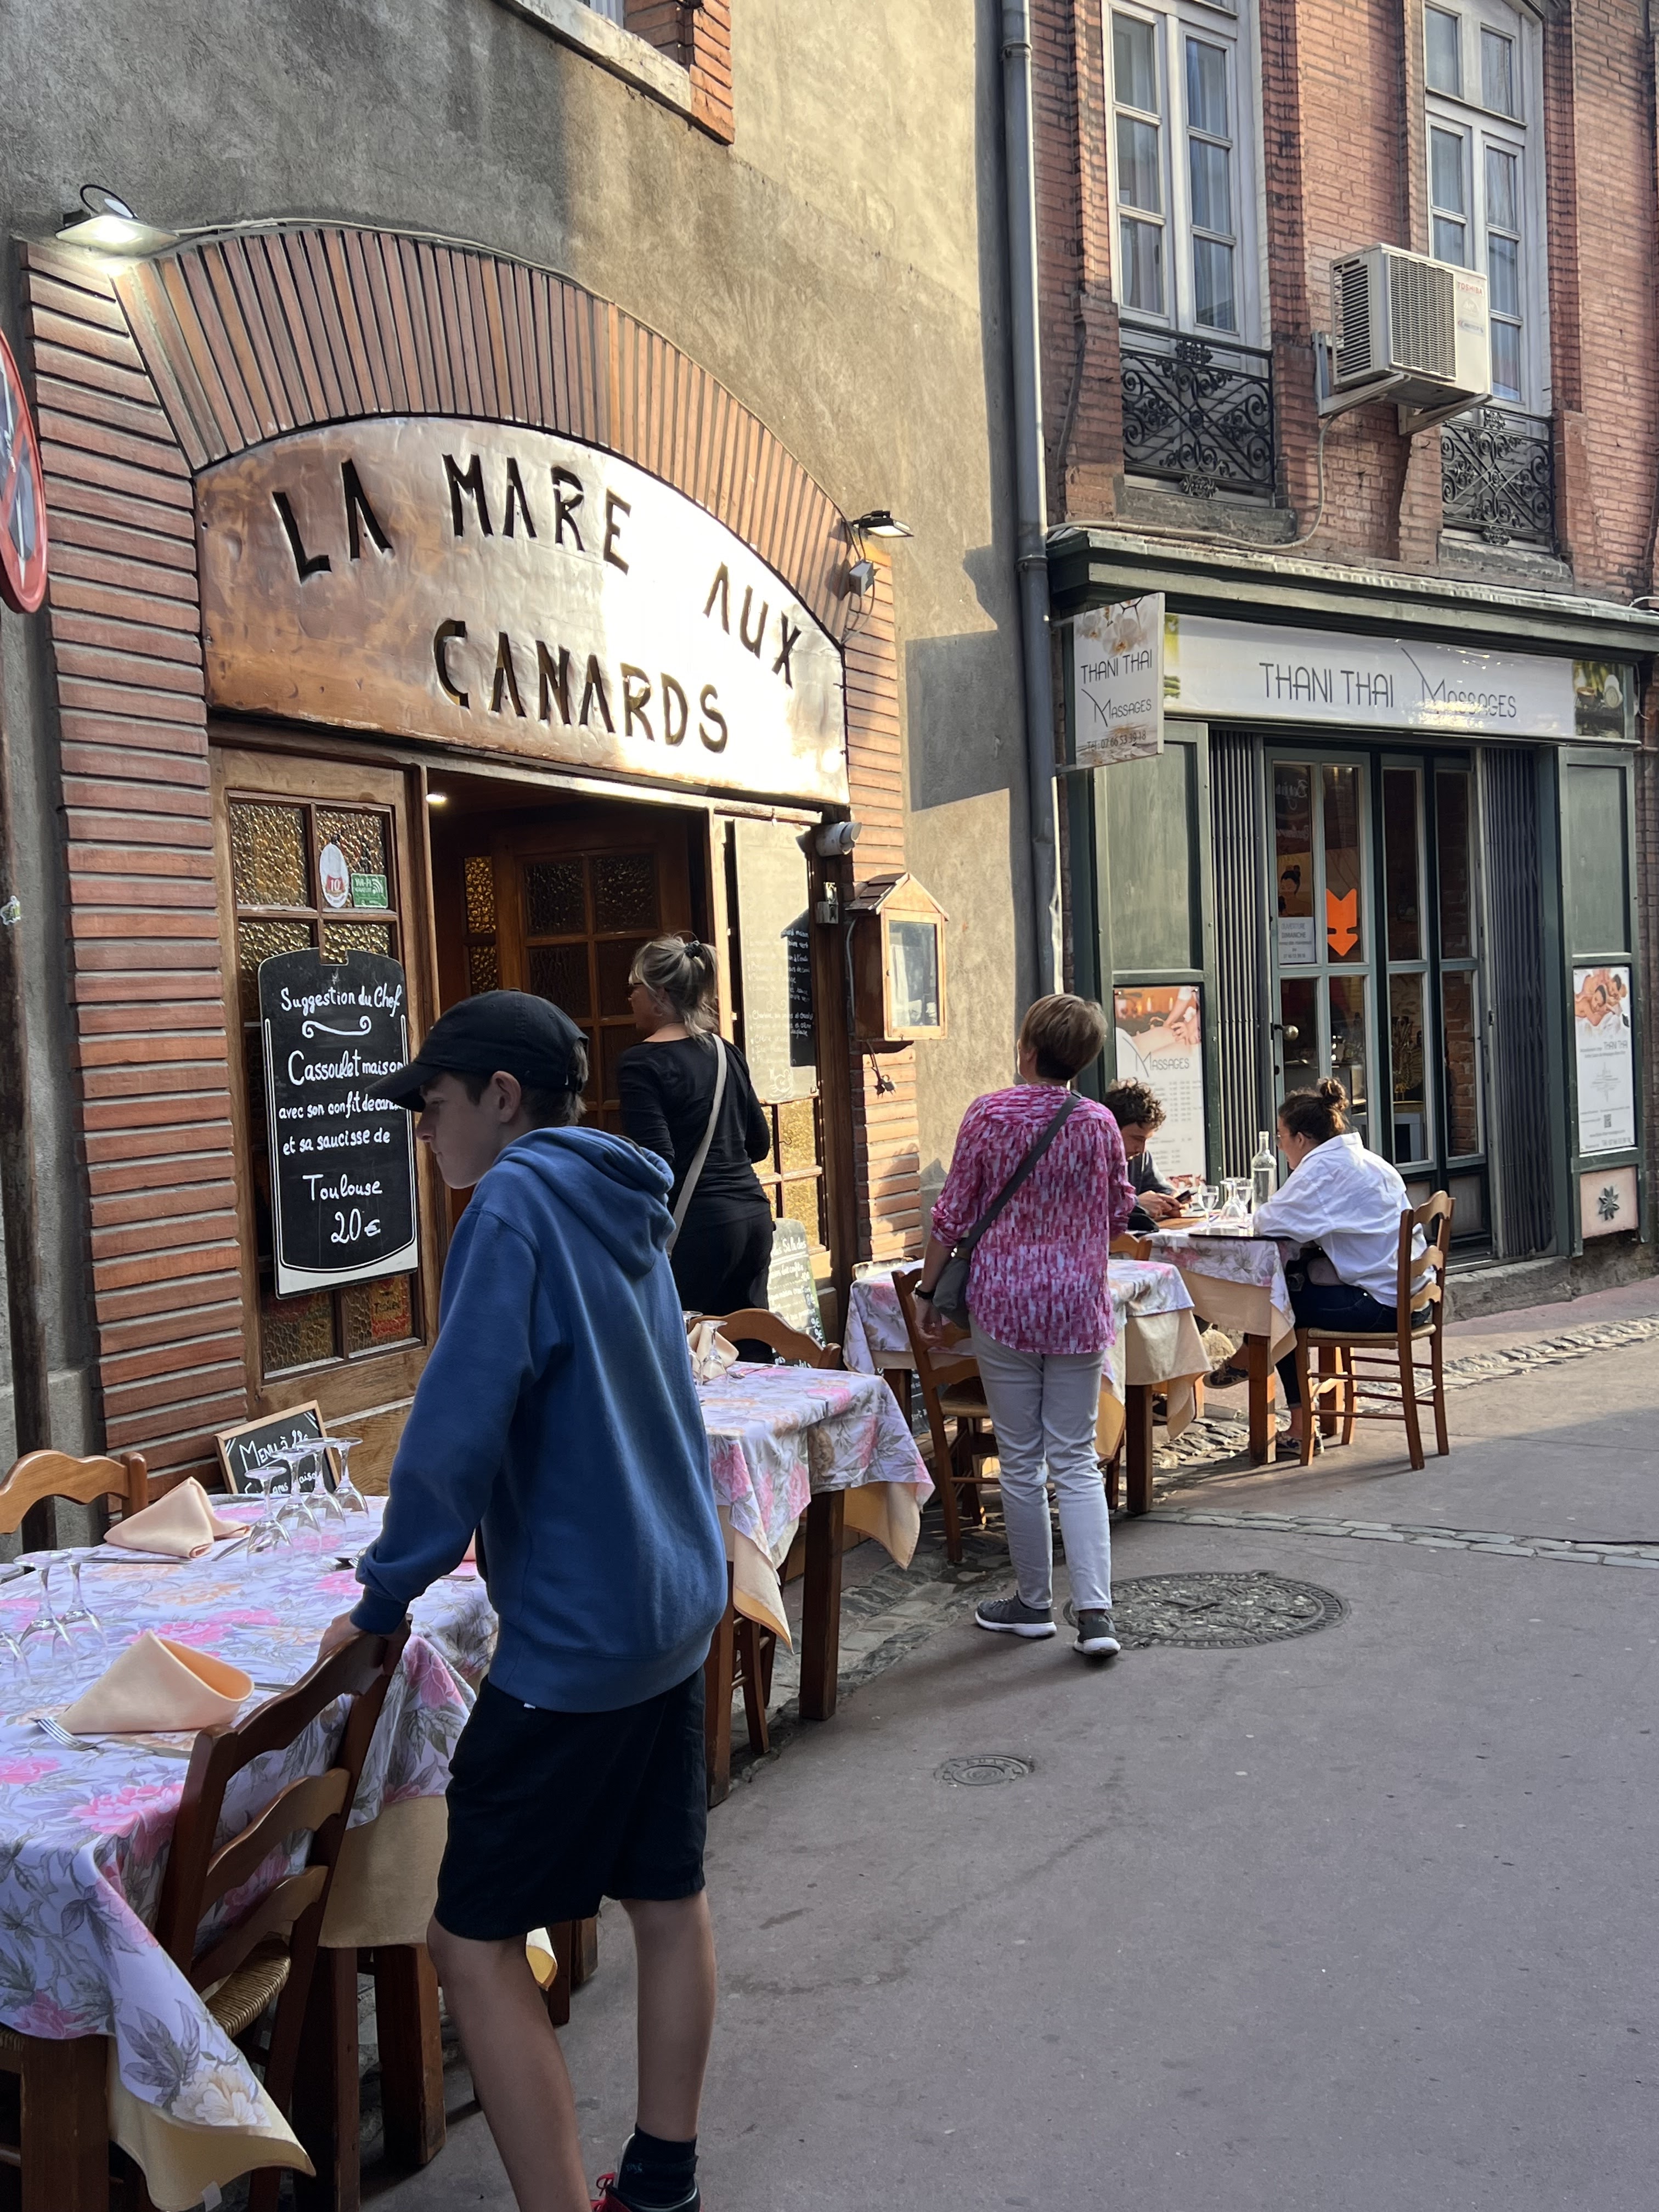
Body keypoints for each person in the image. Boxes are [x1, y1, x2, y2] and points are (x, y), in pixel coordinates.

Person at [316, 990, 727, 2212]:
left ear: (500, 1097)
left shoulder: (510, 1205)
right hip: (670, 1599)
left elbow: (455, 1432)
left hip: (581, 1636)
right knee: (666, 1898)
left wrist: (382, 1600)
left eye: (433, 1104)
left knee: (468, 1937)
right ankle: (660, 2182)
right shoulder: (622, 1192)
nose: (421, 1130)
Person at [913, 994, 1135, 1658]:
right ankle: (1095, 1614)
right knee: (1076, 1458)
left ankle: (1033, 1604)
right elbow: (1118, 1216)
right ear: (1083, 1059)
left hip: (1004, 1304)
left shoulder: (989, 1113)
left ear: (1028, 1050)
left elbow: (952, 1215)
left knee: (1020, 1458)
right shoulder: (1099, 1123)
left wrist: (926, 1291)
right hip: (1077, 1307)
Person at [1251, 1077, 1430, 1454]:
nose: (1280, 1146)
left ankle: (1300, 1427)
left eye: (1282, 1137)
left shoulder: (1321, 1170)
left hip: (1382, 1306)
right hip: (1414, 1300)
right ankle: (1255, 1364)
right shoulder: (1368, 1160)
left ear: (1301, 1138)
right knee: (1291, 1284)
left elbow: (1268, 1223)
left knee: (1273, 1309)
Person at [617, 935, 775, 1319]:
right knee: (750, 1342)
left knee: (685, 1344)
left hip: (697, 1229)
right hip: (753, 1217)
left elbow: (658, 1163)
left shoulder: (640, 1064)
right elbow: (759, 1143)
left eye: (635, 987)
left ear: (660, 994)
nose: (630, 997)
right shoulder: (724, 1051)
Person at [1102, 1077, 1183, 1229]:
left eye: (1146, 1140)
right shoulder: (1090, 1157)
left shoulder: (1140, 1158)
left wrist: (1172, 1200)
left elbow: (1161, 1188)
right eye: (1137, 1139)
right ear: (1112, 1129)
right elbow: (1089, 1207)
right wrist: (1136, 1204)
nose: (1142, 1149)